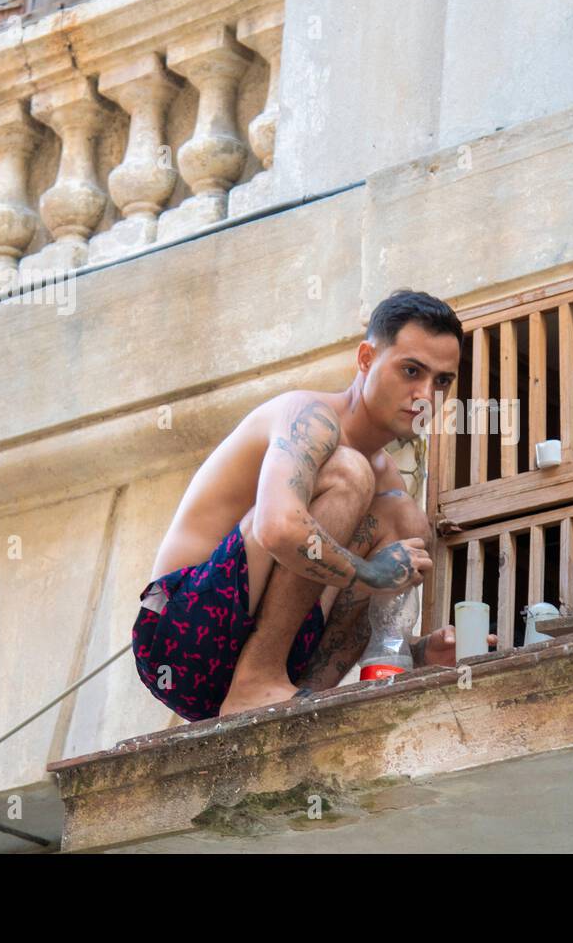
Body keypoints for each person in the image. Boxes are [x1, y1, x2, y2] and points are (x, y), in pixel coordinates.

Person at [131, 289, 494, 722]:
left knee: (405, 518)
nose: (424, 395)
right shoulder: (310, 417)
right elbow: (278, 528)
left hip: (276, 648)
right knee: (348, 471)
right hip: (182, 635)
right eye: (411, 370)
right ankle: (256, 683)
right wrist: (372, 571)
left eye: (441, 381)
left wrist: (418, 649)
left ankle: (298, 696)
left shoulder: (385, 478)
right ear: (365, 360)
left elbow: (353, 601)